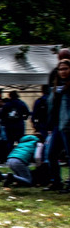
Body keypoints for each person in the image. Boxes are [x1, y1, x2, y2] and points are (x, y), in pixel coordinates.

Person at [45, 58, 70, 192]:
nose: (63, 72)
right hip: (57, 126)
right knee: (51, 155)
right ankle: (56, 182)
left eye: (66, 68)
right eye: (60, 69)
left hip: (67, 125)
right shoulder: (56, 87)